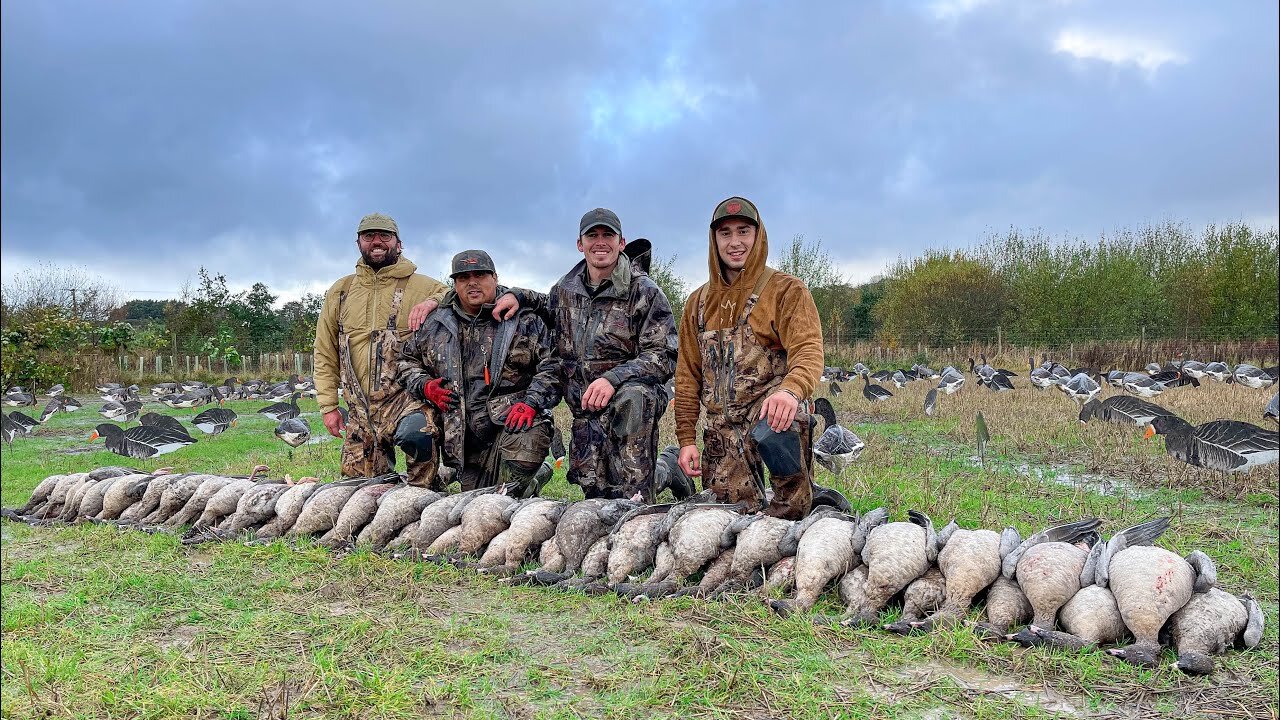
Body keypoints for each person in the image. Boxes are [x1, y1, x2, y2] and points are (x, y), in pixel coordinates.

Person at [504, 208, 677, 501]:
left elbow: (664, 354)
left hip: (631, 404)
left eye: (608, 235)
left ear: (622, 242)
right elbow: (544, 306)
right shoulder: (564, 291)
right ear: (579, 244)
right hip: (586, 411)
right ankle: (669, 469)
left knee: (631, 497)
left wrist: (613, 379)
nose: (600, 242)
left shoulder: (644, 292)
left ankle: (655, 477)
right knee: (599, 496)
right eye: (592, 235)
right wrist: (516, 294)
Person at [674, 197, 829, 519]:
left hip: (771, 418)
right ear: (713, 240)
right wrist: (687, 439)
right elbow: (687, 375)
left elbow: (808, 350)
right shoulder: (697, 303)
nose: (735, 242)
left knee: (786, 520)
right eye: (725, 233)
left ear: (759, 236)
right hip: (722, 430)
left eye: (743, 231)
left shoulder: (786, 290)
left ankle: (801, 505)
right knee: (724, 519)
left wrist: (791, 391)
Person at [395, 250, 554, 494]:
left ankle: (528, 476)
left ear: (495, 277)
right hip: (458, 431)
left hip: (506, 425)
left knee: (504, 494)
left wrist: (532, 403)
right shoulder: (435, 323)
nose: (472, 282)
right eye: (463, 277)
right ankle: (432, 483)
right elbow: (404, 360)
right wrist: (424, 385)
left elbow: (553, 366)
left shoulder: (523, 319)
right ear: (454, 284)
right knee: (474, 495)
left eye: (480, 274)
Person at [313, 212, 447, 487]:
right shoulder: (341, 290)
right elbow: (325, 351)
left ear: (398, 244)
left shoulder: (423, 285)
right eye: (369, 236)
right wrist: (328, 406)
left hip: (406, 400)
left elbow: (461, 293)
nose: (377, 242)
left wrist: (433, 302)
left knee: (418, 444)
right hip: (359, 406)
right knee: (359, 493)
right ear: (358, 242)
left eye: (385, 236)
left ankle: (427, 496)